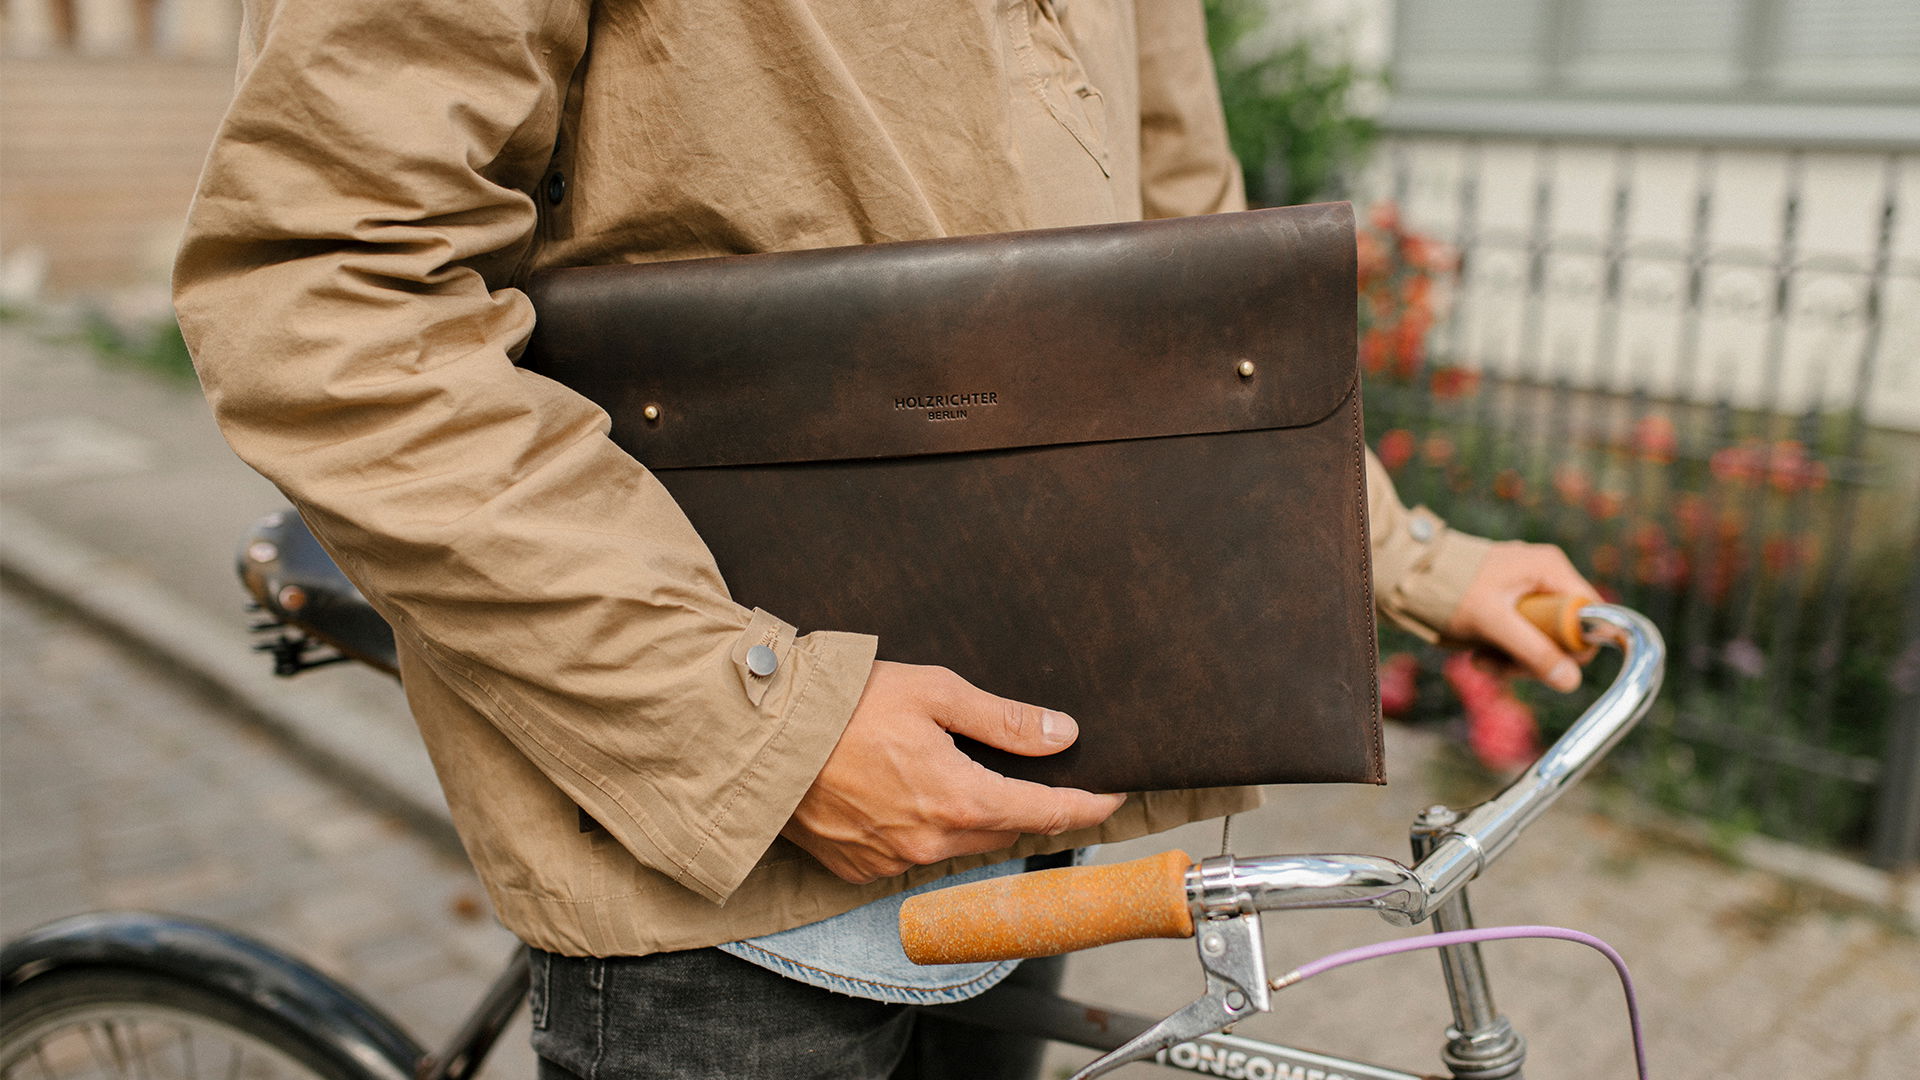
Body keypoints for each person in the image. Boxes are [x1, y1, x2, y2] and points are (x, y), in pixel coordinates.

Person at [173, 2, 1596, 1076]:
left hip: (1036, 805)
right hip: (720, 882)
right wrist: (763, 732)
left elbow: (1186, 296)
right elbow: (330, 291)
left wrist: (1407, 558)